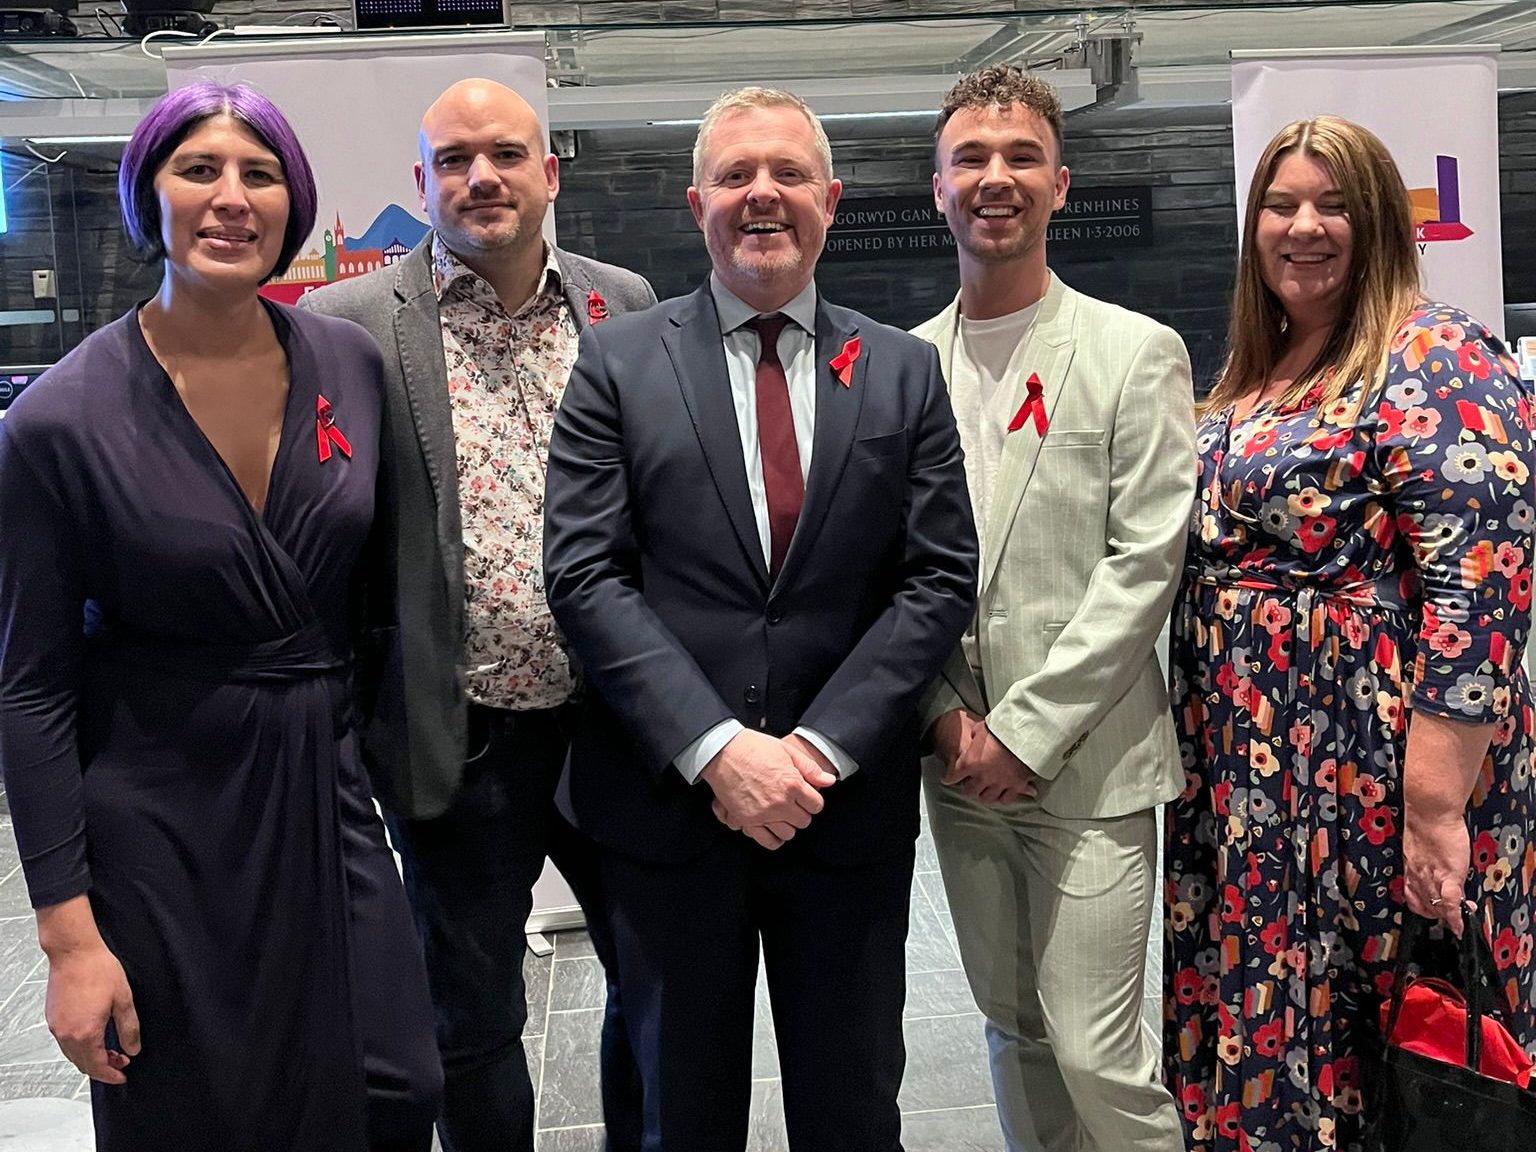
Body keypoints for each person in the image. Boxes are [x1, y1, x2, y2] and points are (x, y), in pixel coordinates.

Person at [0, 81, 442, 1151]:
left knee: (397, 1085)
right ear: (146, 195)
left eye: (261, 174)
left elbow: (381, 594)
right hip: (161, 813)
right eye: (199, 170)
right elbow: (30, 682)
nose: (232, 198)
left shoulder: (349, 366)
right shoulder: (58, 420)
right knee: (195, 1103)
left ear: (294, 201)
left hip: (324, 784)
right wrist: (68, 939)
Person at [543, 86, 977, 1152]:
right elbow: (586, 575)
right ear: (698, 204)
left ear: (830, 200)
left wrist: (819, 751)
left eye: (787, 174)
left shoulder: (903, 370)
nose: (762, 196)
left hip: (845, 818)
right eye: (736, 176)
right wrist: (718, 751)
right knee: (674, 1113)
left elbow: (937, 577)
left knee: (854, 1106)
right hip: (669, 815)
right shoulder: (617, 364)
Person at [1164, 114, 1536, 1151]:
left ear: (1380, 222)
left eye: (1334, 203)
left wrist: (1433, 804)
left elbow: (1483, 589)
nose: (1305, 226)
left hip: (1368, 776)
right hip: (1252, 782)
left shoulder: (1435, 354)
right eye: (1281, 205)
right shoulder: (1261, 369)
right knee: (1275, 1019)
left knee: (1382, 1030)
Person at [299, 77, 654, 1152]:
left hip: (617, 728)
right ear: (421, 182)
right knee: (472, 1015)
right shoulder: (347, 325)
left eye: (505, 153)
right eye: (454, 159)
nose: (481, 176)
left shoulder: (622, 303)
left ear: (549, 173)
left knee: (655, 984)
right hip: (457, 733)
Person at [913, 65, 1193, 1152]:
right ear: (935, 188)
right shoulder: (902, 368)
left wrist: (1023, 734)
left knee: (1097, 1053)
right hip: (958, 762)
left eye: (1021, 156)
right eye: (972, 159)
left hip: (1091, 764)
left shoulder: (1134, 353)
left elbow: (1143, 564)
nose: (997, 177)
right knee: (1012, 1028)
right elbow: (894, 573)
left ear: (1061, 184)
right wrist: (946, 719)